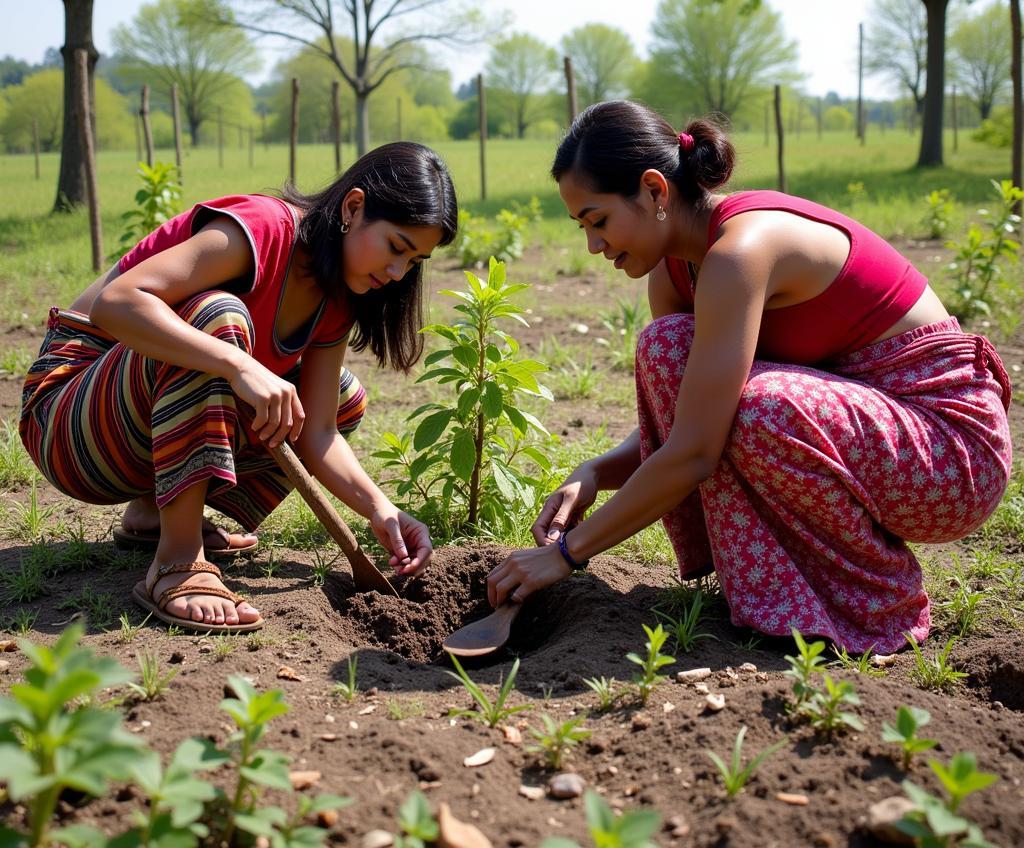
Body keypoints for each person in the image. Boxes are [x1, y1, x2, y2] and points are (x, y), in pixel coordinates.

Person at [486, 101, 1012, 654]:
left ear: (655, 191)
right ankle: (774, 591)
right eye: (582, 227)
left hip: (949, 452)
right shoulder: (673, 272)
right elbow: (695, 416)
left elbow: (695, 451)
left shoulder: (742, 252)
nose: (593, 245)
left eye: (598, 220)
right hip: (869, 430)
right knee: (667, 350)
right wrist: (594, 471)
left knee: (763, 405)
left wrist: (566, 554)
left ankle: (876, 606)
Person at [20, 142, 457, 634]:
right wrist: (237, 365)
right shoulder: (264, 229)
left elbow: (319, 434)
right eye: (397, 247)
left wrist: (382, 510)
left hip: (132, 435)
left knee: (340, 396)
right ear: (353, 208)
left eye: (414, 261)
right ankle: (177, 561)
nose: (399, 273)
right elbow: (117, 303)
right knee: (216, 322)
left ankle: (154, 515)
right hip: (68, 422)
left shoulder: (339, 292)